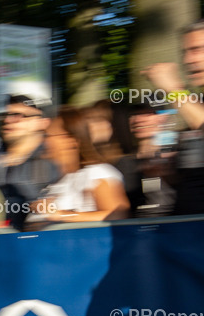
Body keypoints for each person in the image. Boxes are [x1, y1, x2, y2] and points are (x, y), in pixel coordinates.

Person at [141, 20, 204, 215]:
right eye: (185, 52)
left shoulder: (189, 105)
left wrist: (173, 90)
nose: (187, 60)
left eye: (197, 50)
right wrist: (167, 172)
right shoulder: (196, 104)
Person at [32, 106, 130, 224]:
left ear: (71, 140)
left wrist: (63, 215)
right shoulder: (56, 179)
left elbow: (117, 215)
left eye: (47, 136)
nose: (42, 141)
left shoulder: (98, 173)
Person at [0, 95, 60, 229]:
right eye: (5, 115)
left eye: (17, 115)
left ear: (41, 122)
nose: (8, 120)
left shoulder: (53, 161)